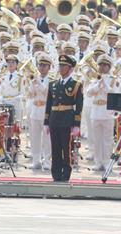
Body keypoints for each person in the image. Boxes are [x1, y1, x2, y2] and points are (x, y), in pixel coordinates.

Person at [44, 55, 83, 183]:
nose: (61, 68)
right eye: (60, 65)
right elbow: (49, 104)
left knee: (66, 149)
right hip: (54, 119)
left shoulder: (76, 85)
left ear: (70, 68)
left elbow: (79, 106)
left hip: (67, 119)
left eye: (64, 66)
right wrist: (46, 122)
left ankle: (66, 173)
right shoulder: (53, 84)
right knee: (55, 148)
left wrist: (77, 124)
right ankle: (55, 173)